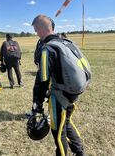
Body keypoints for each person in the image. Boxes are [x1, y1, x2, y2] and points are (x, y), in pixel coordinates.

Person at [31, 14, 86, 156]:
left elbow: (42, 79)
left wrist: (37, 103)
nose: (36, 33)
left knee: (58, 132)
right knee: (66, 122)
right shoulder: (66, 42)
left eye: (36, 30)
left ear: (41, 29)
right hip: (73, 93)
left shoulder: (47, 48)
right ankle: (79, 152)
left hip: (60, 96)